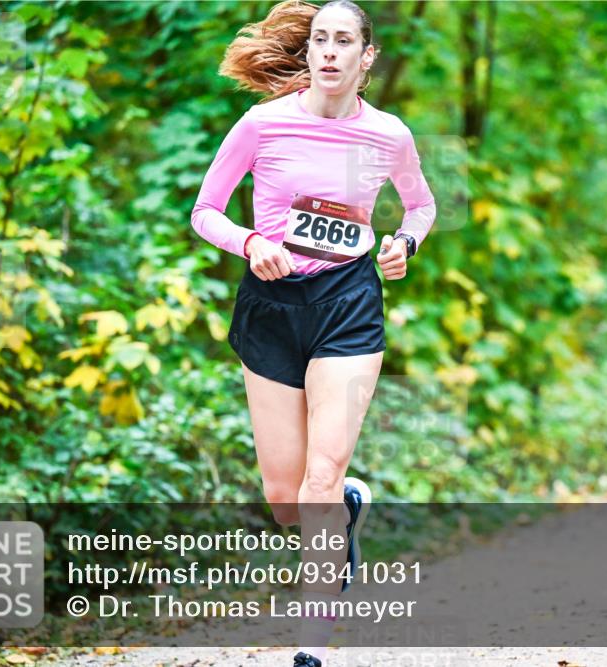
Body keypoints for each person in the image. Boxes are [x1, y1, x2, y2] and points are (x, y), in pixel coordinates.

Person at [190, 2, 436, 665]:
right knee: (286, 497)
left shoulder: (388, 135)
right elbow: (204, 209)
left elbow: (421, 204)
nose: (329, 51)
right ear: (310, 52)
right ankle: (349, 505)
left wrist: (404, 244)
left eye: (344, 40)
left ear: (366, 57)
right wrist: (247, 242)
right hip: (270, 305)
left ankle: (311, 648)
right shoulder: (263, 124)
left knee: (319, 478)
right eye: (320, 39)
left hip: (347, 303)